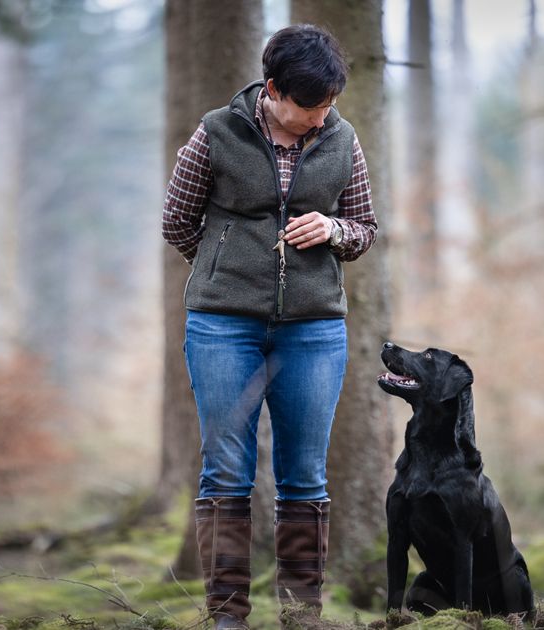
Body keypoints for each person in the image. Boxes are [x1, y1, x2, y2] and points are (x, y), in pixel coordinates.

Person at [161, 23, 378, 629]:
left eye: (331, 103)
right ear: (275, 90)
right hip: (222, 327)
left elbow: (364, 228)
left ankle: (299, 617)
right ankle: (227, 615)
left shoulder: (343, 140)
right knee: (225, 470)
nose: (321, 116)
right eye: (310, 105)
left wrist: (334, 232)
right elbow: (178, 221)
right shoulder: (215, 132)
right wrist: (226, 268)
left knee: (305, 475)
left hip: (313, 331)